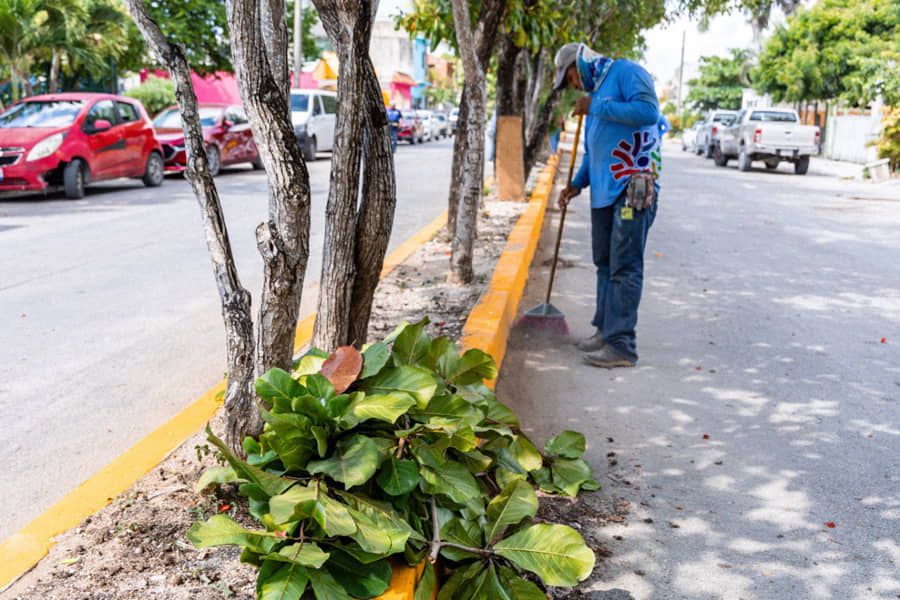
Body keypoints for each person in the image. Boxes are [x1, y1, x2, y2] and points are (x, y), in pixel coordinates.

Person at [554, 42, 661, 368]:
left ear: (581, 64)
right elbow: (595, 151)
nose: (573, 86)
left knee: (625, 266)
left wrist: (597, 105)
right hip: (603, 193)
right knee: (604, 263)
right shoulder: (596, 97)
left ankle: (622, 345)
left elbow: (648, 111)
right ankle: (605, 331)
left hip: (632, 186)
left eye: (571, 77)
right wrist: (577, 183)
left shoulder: (627, 73)